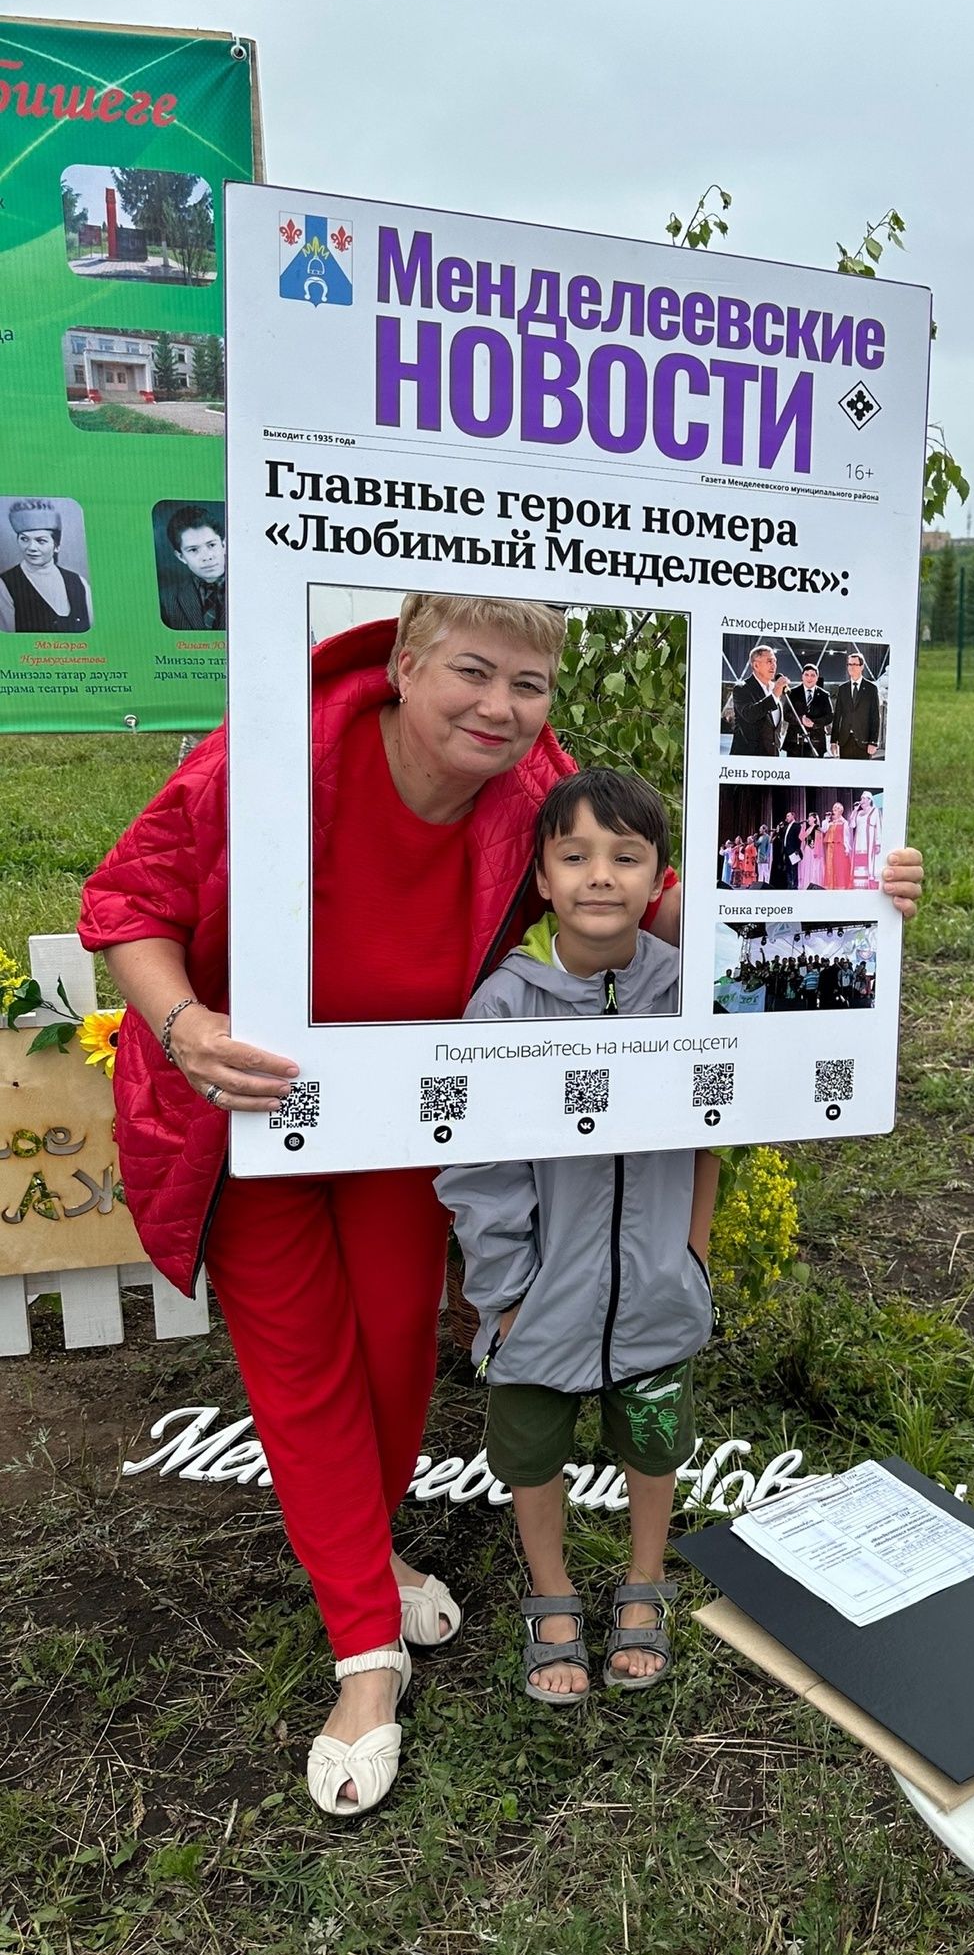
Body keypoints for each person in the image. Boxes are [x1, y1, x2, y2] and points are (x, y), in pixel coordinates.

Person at [87, 596, 909, 1818]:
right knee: (302, 1370)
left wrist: (828, 914)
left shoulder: (533, 780)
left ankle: (365, 1562)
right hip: (251, 1114)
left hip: (408, 1120)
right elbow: (127, 903)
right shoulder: (271, 746)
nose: (499, 707)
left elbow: (645, 886)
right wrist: (184, 1022)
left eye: (529, 686)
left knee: (392, 1365)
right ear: (407, 664)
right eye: (473, 672)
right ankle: (365, 1658)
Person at [435, 770, 719, 1705]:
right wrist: (505, 1292)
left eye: (627, 857)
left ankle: (646, 1585)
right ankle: (551, 1595)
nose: (602, 877)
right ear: (544, 880)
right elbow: (477, 1167)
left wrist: (694, 1254)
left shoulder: (693, 993)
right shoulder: (504, 1007)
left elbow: (717, 1132)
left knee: (652, 1437)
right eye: (577, 857)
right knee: (530, 1451)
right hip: (540, 1301)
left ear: (660, 880)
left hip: (655, 1288)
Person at [3, 499, 92, 633]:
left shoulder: (79, 582)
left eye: (41, 541)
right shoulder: (4, 585)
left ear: (56, 546)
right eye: (24, 539)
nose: (31, 548)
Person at [157, 503, 227, 631]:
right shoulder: (167, 600)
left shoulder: (251, 588)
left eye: (211, 545)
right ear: (181, 557)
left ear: (224, 545)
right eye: (193, 549)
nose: (207, 557)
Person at [729, 644, 786, 757]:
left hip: (772, 757)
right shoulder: (742, 688)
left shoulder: (774, 688)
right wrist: (774, 696)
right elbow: (750, 715)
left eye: (775, 661)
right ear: (756, 665)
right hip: (748, 758)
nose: (773, 665)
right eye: (769, 661)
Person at [830, 650, 881, 760]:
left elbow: (875, 717)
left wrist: (873, 741)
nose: (851, 667)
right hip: (845, 741)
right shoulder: (842, 689)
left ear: (862, 667)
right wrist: (833, 741)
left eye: (854, 664)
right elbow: (837, 716)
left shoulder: (871, 689)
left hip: (864, 742)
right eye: (849, 664)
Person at [783, 662, 833, 758]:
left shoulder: (824, 695)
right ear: (802, 676)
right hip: (795, 743)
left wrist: (814, 723)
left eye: (812, 675)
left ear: (817, 677)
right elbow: (786, 714)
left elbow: (829, 716)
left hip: (816, 743)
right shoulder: (792, 693)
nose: (809, 678)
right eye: (806, 675)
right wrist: (801, 720)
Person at [850, 792, 883, 891]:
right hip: (859, 842)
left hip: (869, 841)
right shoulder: (859, 813)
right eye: (861, 798)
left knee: (869, 862)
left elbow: (879, 827)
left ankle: (868, 884)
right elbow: (852, 825)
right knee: (859, 862)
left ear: (869, 800)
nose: (862, 800)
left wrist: (878, 843)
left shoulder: (875, 811)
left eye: (864, 798)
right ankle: (858, 886)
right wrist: (855, 811)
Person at [823, 802, 853, 890]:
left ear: (840, 811)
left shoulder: (844, 823)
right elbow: (824, 830)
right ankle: (830, 886)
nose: (834, 811)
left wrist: (847, 848)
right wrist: (826, 820)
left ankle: (840, 886)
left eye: (836, 809)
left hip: (839, 847)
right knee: (830, 867)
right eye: (833, 810)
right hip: (830, 847)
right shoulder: (830, 823)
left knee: (839, 867)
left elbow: (846, 836)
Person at [800, 811, 824, 890]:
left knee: (813, 866)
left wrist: (817, 851)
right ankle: (806, 883)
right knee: (807, 866)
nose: (808, 819)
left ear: (814, 819)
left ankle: (813, 883)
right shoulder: (808, 828)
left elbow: (818, 840)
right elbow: (802, 838)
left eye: (810, 817)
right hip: (807, 849)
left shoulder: (816, 827)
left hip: (813, 849)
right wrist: (802, 827)